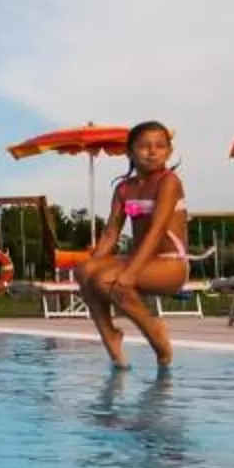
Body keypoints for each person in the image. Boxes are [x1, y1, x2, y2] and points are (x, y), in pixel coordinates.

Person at [81, 119, 187, 370]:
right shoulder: (124, 189)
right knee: (85, 271)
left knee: (105, 280)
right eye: (144, 146)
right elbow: (110, 234)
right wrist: (91, 270)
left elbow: (157, 230)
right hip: (141, 261)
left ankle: (154, 331)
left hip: (170, 265)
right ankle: (110, 334)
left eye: (160, 146)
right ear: (129, 152)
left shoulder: (169, 182)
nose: (152, 152)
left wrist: (130, 272)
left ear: (169, 152)